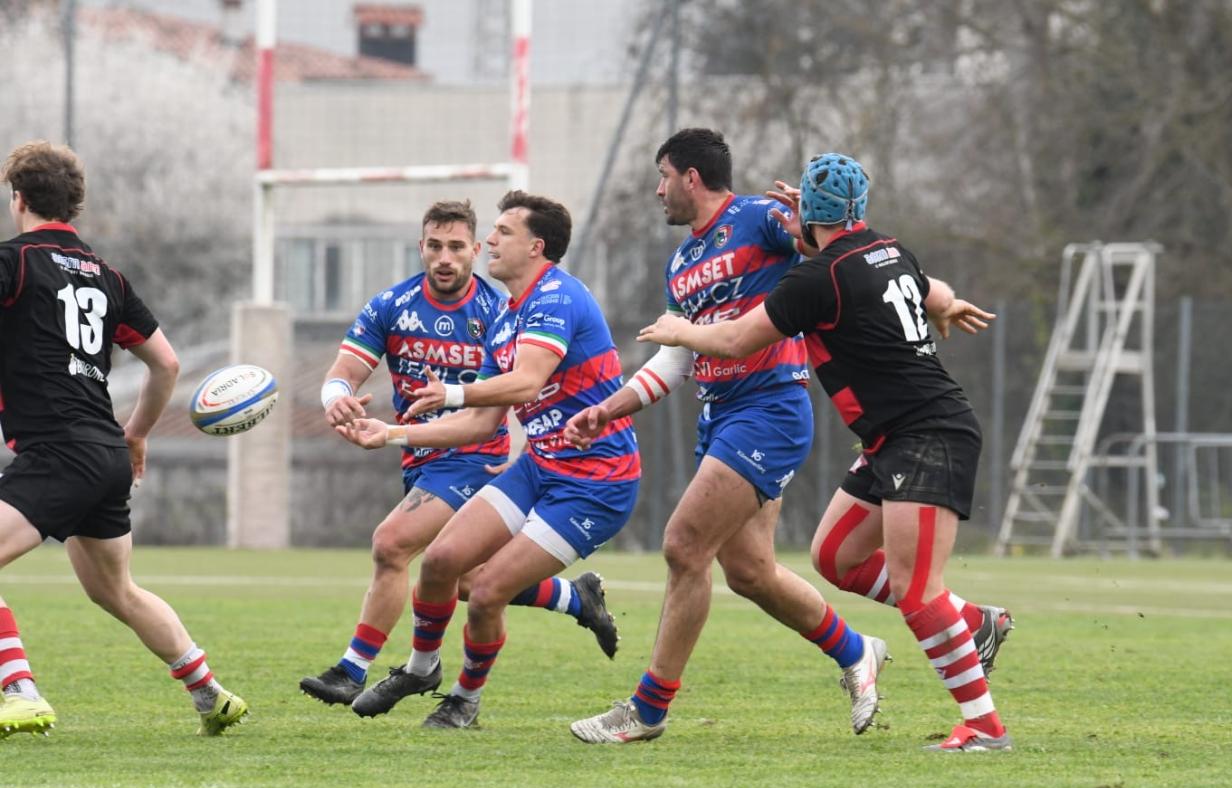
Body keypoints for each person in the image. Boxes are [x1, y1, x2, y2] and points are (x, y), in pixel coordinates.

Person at [637, 152, 1012, 752]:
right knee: (836, 556)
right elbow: (927, 288)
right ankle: (970, 620)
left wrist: (680, 331)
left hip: (927, 432)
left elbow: (734, 339)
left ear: (807, 210)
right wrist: (945, 302)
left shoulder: (819, 278)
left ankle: (984, 727)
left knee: (917, 589)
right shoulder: (888, 249)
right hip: (893, 438)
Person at [567, 128, 889, 746]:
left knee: (683, 545)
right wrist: (610, 409)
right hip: (721, 416)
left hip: (768, 409)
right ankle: (857, 651)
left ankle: (648, 709)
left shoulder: (758, 218)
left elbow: (826, 251)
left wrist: (806, 225)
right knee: (749, 572)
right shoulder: (681, 263)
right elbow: (677, 357)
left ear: (691, 177)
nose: (657, 190)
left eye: (663, 176)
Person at [299, 200, 620, 717]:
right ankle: (573, 598)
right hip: (425, 456)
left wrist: (464, 405)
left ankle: (355, 669)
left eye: (457, 246)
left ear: (472, 250)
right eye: (434, 246)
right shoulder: (394, 305)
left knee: (391, 543)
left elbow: (518, 392)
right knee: (465, 580)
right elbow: (344, 372)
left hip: (477, 461)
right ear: (421, 247)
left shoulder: (507, 308)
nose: (445, 257)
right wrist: (338, 400)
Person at [0, 141, 246, 737]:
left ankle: (19, 690)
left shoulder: (13, 262)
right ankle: (210, 693)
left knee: (117, 590)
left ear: (19, 199)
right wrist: (135, 434)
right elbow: (166, 363)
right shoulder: (107, 276)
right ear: (73, 204)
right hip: (106, 452)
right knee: (118, 591)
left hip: (58, 452)